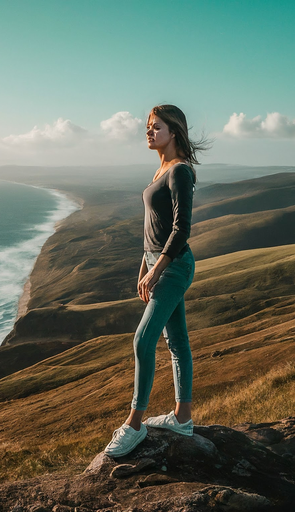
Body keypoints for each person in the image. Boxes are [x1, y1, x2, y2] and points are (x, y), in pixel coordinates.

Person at [104, 104, 210, 458]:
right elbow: (154, 226)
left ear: (174, 132)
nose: (148, 132)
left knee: (142, 340)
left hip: (174, 266)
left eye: (156, 127)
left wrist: (158, 268)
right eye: (148, 127)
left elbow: (182, 228)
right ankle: (183, 418)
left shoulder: (180, 171)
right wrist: (144, 265)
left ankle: (134, 425)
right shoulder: (161, 168)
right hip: (157, 263)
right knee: (177, 341)